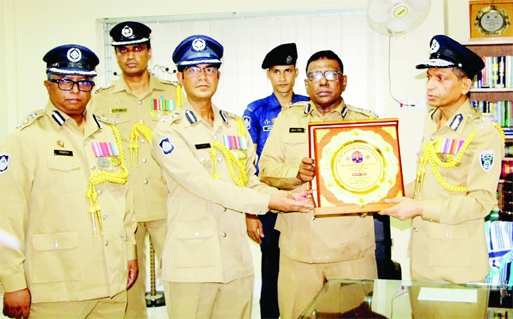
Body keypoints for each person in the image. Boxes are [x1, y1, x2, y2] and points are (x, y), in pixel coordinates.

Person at [150, 34, 314, 319]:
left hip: (235, 260)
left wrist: (290, 197)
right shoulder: (168, 130)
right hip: (192, 263)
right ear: (180, 77)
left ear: (218, 75)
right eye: (193, 69)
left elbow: (248, 179)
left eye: (209, 69)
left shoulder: (234, 125)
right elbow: (205, 186)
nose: (203, 76)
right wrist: (274, 201)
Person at [0, 44, 137, 319]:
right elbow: (6, 217)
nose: (75, 91)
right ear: (48, 85)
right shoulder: (25, 139)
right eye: (65, 81)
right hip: (56, 287)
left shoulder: (108, 134)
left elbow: (124, 199)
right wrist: (13, 282)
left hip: (110, 284)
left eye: (84, 83)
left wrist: (129, 252)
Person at [258, 50, 379, 318]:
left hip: (351, 250)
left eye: (330, 74)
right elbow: (265, 169)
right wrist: (296, 173)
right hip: (300, 248)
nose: (323, 81)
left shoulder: (366, 122)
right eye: (315, 75)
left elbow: (383, 179)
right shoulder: (288, 118)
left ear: (343, 81)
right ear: (306, 83)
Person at [379, 34, 504, 283]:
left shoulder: (483, 132)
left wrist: (419, 208)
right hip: (424, 258)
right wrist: (390, 192)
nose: (430, 85)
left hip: (457, 265)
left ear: (465, 86)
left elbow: (481, 202)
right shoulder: (433, 120)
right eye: (429, 77)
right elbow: (431, 181)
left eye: (441, 78)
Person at [92, 21, 180, 319]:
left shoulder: (174, 93)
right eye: (123, 50)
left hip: (167, 202)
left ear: (149, 52)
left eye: (137, 49)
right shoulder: (100, 99)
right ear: (116, 55)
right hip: (122, 208)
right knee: (128, 285)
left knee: (182, 279)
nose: (130, 56)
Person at [242, 42, 309, 319]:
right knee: (272, 269)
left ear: (296, 74)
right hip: (270, 202)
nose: (282, 77)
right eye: (276, 71)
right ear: (268, 75)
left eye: (288, 70)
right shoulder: (256, 111)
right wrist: (250, 212)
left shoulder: (310, 106)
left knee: (304, 269)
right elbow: (247, 165)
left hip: (306, 200)